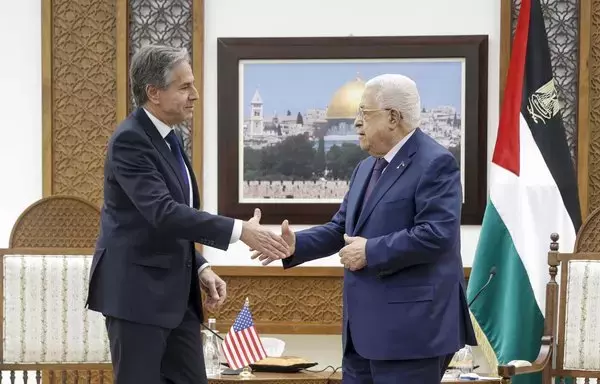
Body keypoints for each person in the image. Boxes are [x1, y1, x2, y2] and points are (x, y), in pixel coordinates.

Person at [85, 44, 289, 384]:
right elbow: (163, 214)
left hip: (177, 298)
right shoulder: (130, 141)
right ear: (153, 93)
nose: (195, 95)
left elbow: (175, 219)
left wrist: (201, 266)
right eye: (184, 87)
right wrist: (241, 231)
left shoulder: (169, 137)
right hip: (137, 298)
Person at [253, 74, 476, 383]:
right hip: (361, 334)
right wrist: (293, 246)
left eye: (364, 113)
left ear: (393, 118)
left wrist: (370, 251)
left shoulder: (435, 162)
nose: (356, 122)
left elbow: (437, 234)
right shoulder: (365, 167)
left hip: (411, 334)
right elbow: (341, 228)